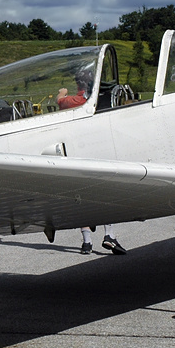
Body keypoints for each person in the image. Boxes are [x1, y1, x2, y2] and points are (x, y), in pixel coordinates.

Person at [57, 70, 127, 255]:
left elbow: (59, 100)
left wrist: (62, 92)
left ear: (78, 84)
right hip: (98, 152)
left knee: (80, 200)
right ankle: (109, 235)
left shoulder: (74, 101)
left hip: (76, 156)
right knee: (105, 195)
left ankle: (87, 243)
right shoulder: (97, 100)